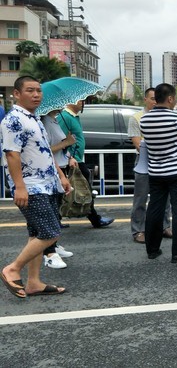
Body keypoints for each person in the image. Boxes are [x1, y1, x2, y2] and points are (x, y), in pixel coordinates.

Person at [1, 76, 71, 298]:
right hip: (31, 186)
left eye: (39, 91)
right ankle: (12, 269)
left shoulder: (35, 118)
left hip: (46, 184)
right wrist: (20, 187)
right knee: (51, 232)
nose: (36, 94)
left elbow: (44, 152)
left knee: (36, 234)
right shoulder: (13, 120)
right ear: (17, 94)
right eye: (30, 90)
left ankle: (33, 283)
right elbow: (12, 154)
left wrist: (60, 175)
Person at [140, 83, 177, 263]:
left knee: (155, 209)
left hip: (156, 171)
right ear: (170, 98)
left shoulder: (145, 119)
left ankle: (152, 249)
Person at [58, 100, 114, 228]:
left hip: (76, 159)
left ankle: (57, 219)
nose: (83, 103)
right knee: (85, 189)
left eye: (83, 101)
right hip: (71, 160)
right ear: (70, 101)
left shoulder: (73, 117)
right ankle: (95, 219)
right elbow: (60, 140)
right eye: (80, 100)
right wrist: (69, 157)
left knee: (64, 191)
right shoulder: (65, 117)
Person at [128, 87, 172, 244]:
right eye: (152, 98)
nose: (154, 101)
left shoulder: (166, 117)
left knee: (165, 197)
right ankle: (138, 230)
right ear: (145, 100)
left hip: (163, 162)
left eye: (156, 98)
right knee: (141, 198)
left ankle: (165, 226)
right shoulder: (136, 118)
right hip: (144, 163)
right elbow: (138, 144)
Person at [41, 110, 77, 268]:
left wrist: (69, 156)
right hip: (51, 172)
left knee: (56, 211)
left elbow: (61, 145)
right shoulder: (45, 122)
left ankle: (54, 245)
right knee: (50, 212)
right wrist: (66, 143)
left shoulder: (54, 120)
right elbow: (45, 150)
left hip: (61, 167)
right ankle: (49, 251)